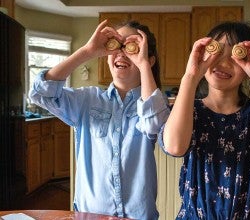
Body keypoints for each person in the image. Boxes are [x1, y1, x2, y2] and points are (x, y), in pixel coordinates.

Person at [158, 21, 250, 219]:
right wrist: (190, 76)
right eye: (217, 52)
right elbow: (175, 146)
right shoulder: (190, 111)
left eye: (235, 55)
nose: (224, 62)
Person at [29, 19, 170, 220]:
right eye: (116, 45)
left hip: (138, 216)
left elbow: (154, 124)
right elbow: (40, 93)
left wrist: (144, 63)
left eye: (132, 48)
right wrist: (87, 52)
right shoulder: (87, 100)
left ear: (149, 58)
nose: (122, 52)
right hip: (90, 215)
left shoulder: (154, 102)